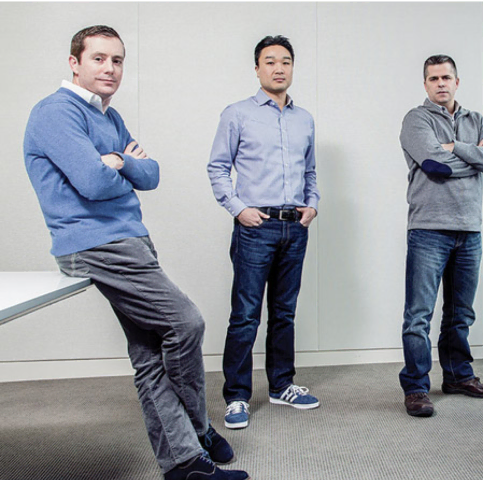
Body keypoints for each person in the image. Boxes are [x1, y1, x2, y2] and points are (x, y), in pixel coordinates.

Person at [22, 25, 249, 480]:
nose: (110, 68)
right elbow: (91, 182)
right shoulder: (55, 112)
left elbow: (151, 174)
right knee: (186, 322)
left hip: (128, 239)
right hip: (95, 244)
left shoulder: (109, 116)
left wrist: (121, 162)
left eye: (118, 60)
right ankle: (198, 429)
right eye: (99, 59)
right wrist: (117, 166)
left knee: (148, 354)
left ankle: (183, 463)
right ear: (74, 62)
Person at [208, 35, 320, 430]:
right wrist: (239, 210)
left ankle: (282, 385)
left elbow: (310, 171)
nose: (278, 68)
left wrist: (312, 205)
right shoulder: (237, 114)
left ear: (293, 67)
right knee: (245, 315)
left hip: (295, 228)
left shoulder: (304, 118)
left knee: (285, 313)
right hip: (256, 229)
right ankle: (237, 396)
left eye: (286, 61)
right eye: (270, 61)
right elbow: (217, 168)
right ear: (257, 68)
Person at [398, 54, 483, 417]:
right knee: (419, 315)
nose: (441, 83)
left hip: (469, 230)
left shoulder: (476, 120)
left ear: (457, 81)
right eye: (433, 78)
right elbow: (434, 166)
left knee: (461, 313)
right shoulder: (416, 120)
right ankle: (416, 387)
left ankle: (458, 375)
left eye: (447, 77)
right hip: (428, 229)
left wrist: (456, 147)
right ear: (425, 84)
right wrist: (477, 155)